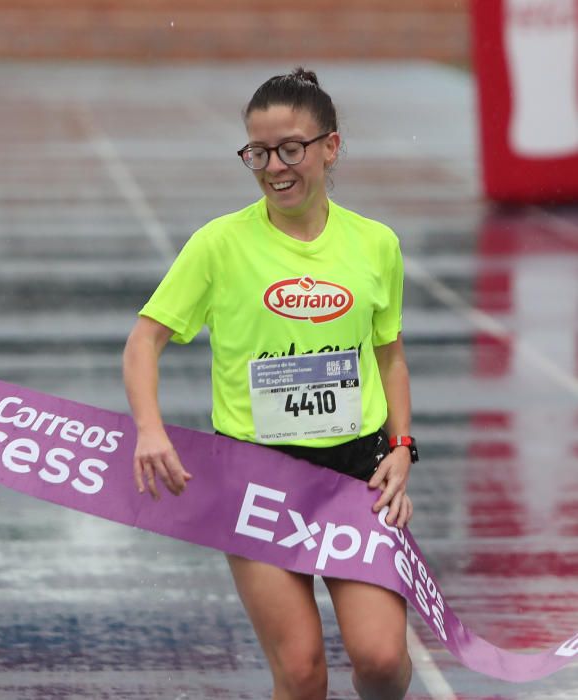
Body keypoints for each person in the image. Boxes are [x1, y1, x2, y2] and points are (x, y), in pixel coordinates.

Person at [123, 67, 416, 700]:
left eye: (290, 149)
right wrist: (149, 430)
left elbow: (389, 355)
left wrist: (401, 447)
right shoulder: (218, 245)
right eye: (257, 152)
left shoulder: (376, 245)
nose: (274, 167)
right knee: (303, 671)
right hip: (257, 477)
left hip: (354, 472)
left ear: (330, 147)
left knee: (383, 659)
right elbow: (144, 340)